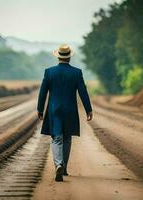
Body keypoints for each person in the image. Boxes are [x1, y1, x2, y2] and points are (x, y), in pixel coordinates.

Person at [37, 44, 93, 182]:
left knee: (57, 138)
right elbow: (83, 92)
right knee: (67, 138)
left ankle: (59, 164)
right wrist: (88, 109)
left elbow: (43, 92)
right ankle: (64, 168)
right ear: (69, 57)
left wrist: (40, 109)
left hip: (54, 109)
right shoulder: (77, 72)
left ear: (58, 56)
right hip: (70, 110)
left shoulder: (49, 72)